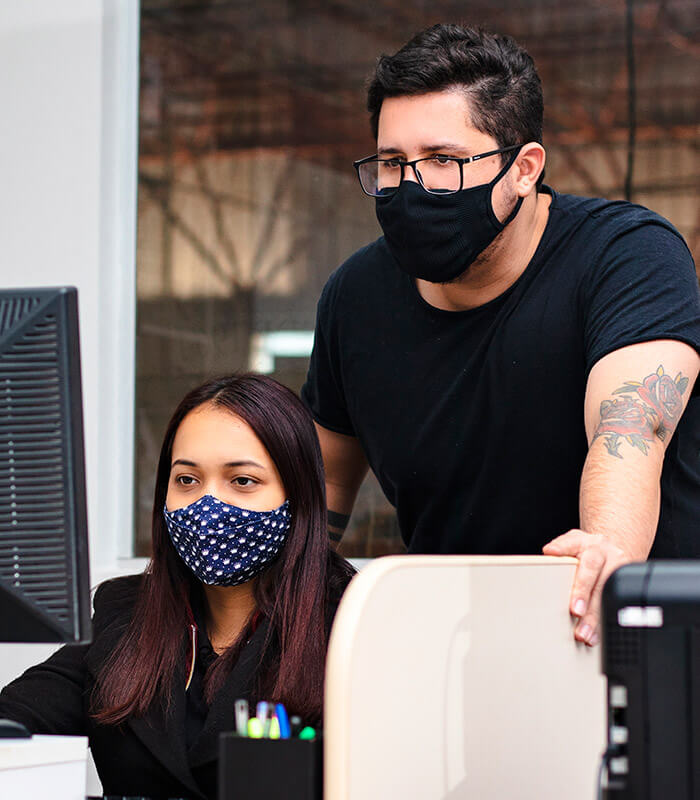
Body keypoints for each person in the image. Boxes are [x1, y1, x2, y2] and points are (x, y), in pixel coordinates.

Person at [302, 24, 700, 647]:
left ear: (523, 169)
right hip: (456, 646)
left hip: (627, 634)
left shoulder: (627, 255)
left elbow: (630, 430)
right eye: (392, 163)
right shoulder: (354, 297)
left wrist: (607, 549)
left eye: (443, 160)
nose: (411, 187)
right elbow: (321, 488)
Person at [0, 374, 354, 800]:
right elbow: (16, 719)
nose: (208, 507)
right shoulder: (124, 612)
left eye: (242, 481)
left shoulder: (352, 622)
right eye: (187, 480)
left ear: (299, 497)